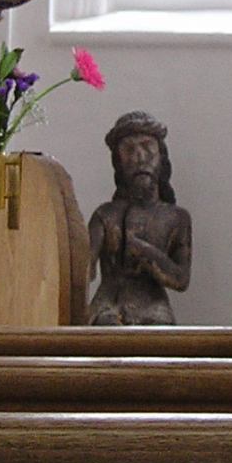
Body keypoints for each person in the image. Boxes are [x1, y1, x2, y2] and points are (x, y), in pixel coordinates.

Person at [84, 111, 192, 327]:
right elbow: (83, 271)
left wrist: (143, 251)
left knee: (158, 334)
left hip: (153, 308)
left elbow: (180, 279)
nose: (139, 157)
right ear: (118, 161)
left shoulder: (176, 217)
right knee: (106, 328)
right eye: (129, 149)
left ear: (161, 157)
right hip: (107, 305)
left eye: (147, 147)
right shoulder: (105, 215)